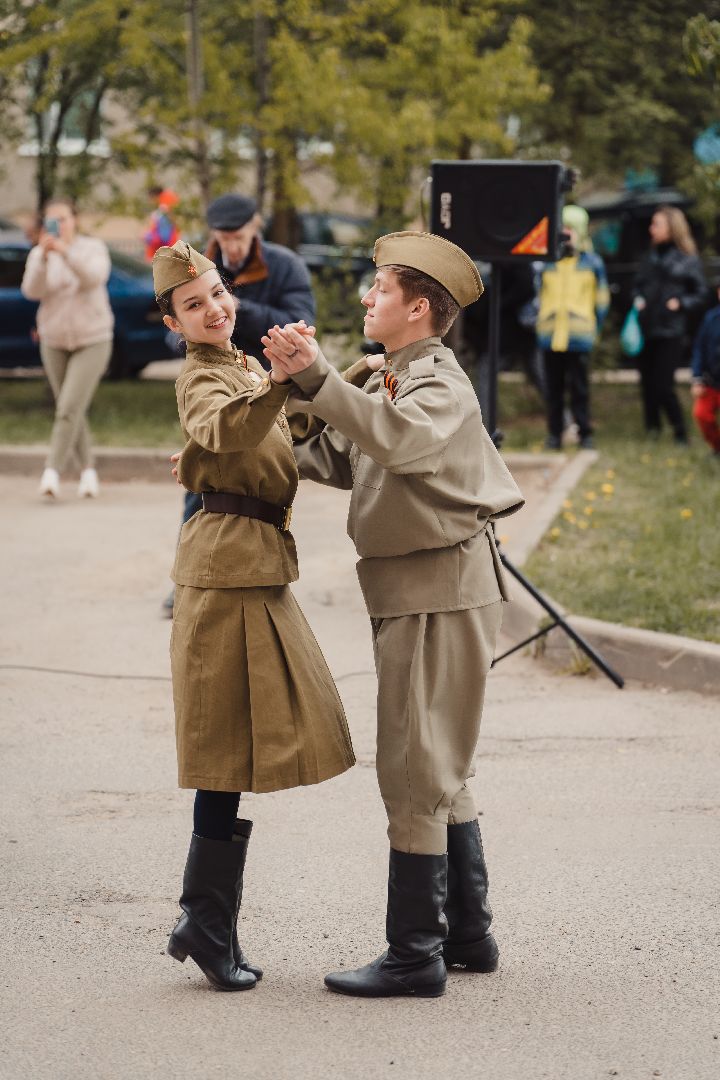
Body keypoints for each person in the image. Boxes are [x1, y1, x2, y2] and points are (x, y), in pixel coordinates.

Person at [262, 231, 524, 999]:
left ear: (417, 310)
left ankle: (414, 956)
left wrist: (317, 376)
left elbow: (402, 445)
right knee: (441, 764)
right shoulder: (390, 382)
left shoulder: (436, 386)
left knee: (412, 770)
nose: (365, 299)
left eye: (378, 290)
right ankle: (467, 935)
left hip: (436, 591)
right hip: (420, 590)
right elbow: (347, 457)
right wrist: (257, 425)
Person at [153, 239, 354, 992]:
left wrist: (354, 372)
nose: (214, 309)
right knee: (223, 751)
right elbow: (229, 429)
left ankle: (204, 921)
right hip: (223, 575)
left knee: (241, 746)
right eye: (194, 304)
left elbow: (288, 430)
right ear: (174, 322)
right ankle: (205, 923)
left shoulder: (238, 366)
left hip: (253, 568)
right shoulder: (202, 378)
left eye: (216, 293)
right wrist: (275, 383)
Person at [162, 193, 316, 615]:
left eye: (238, 237)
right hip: (219, 386)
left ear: (256, 227)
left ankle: (246, 578)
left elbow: (299, 315)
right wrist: (209, 323)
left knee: (254, 477)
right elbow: (171, 335)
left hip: (267, 377)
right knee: (207, 488)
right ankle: (189, 580)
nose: (230, 246)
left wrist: (235, 309)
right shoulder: (194, 265)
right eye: (223, 238)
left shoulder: (285, 265)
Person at [21, 197, 113, 499]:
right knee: (70, 409)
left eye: (63, 218)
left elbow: (93, 279)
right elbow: (31, 291)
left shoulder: (92, 248)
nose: (58, 225)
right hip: (53, 340)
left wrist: (66, 253)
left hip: (93, 339)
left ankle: (52, 471)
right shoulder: (39, 253)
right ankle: (88, 472)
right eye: (52, 220)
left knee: (68, 407)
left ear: (75, 220)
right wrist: (45, 258)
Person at [536, 204, 609, 450]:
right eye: (562, 228)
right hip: (550, 334)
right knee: (553, 390)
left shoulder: (592, 263)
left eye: (571, 229)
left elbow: (601, 300)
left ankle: (585, 433)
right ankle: (554, 434)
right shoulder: (548, 262)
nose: (566, 234)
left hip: (579, 336)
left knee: (579, 389)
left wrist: (593, 327)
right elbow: (537, 295)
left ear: (581, 232)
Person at [632, 206, 707, 444]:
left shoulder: (687, 260)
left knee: (664, 385)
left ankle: (680, 432)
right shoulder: (649, 257)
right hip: (647, 328)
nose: (651, 229)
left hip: (670, 330)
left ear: (671, 228)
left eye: (657, 224)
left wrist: (681, 303)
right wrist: (638, 299)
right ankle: (652, 429)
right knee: (647, 384)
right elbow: (637, 285)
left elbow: (701, 293)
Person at [690, 279, 720, 457]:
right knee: (702, 414)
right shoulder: (711, 318)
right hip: (712, 382)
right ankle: (717, 447)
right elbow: (699, 349)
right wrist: (697, 378)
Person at [143, 187, 180, 261]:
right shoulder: (167, 198)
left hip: (167, 238)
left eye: (151, 198)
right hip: (169, 238)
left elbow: (166, 214)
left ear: (154, 195)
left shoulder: (165, 199)